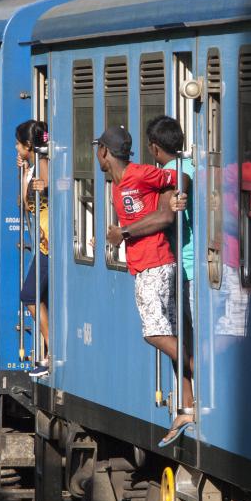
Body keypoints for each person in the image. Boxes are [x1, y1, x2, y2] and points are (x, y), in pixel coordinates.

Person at [96, 125, 193, 448]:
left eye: (98, 149)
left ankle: (202, 375)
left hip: (157, 263)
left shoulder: (140, 173)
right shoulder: (118, 183)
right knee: (170, 336)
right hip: (145, 265)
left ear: (105, 153)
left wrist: (172, 203)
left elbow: (179, 175)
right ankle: (188, 406)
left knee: (154, 333)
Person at [108, 115, 193, 337]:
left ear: (154, 149)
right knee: (178, 335)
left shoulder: (161, 176)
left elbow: (165, 216)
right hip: (192, 265)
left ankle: (192, 371)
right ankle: (190, 371)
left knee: (167, 334)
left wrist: (123, 232)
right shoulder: (195, 166)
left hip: (178, 264)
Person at [15, 120, 52, 378]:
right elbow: (21, 202)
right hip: (42, 242)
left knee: (29, 294)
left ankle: (52, 350)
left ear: (28, 145)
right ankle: (50, 351)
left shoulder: (45, 165)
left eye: (18, 143)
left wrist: (44, 186)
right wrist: (24, 173)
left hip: (49, 243)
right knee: (34, 296)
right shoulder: (31, 167)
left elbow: (54, 191)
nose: (16, 148)